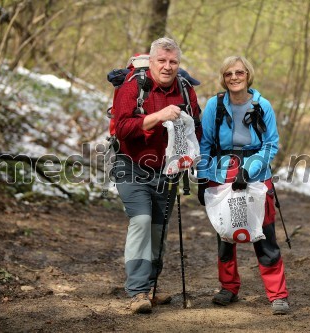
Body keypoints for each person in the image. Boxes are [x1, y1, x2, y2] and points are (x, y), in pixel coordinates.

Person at [112, 37, 201, 314]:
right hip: (132, 165)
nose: (167, 66)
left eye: (173, 61)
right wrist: (159, 115)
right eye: (161, 60)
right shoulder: (132, 86)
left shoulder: (185, 90)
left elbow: (196, 128)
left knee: (157, 231)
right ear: (151, 62)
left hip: (168, 171)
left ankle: (149, 287)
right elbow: (123, 129)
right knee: (141, 221)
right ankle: (137, 293)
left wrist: (189, 151)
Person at [196, 56, 290, 315]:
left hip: (256, 173)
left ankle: (278, 294)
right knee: (226, 233)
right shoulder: (215, 106)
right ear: (223, 78)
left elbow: (271, 144)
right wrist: (204, 179)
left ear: (248, 75)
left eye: (239, 72)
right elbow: (205, 145)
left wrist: (249, 171)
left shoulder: (263, 105)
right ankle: (228, 287)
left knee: (264, 233)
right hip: (222, 172)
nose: (234, 77)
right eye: (228, 74)